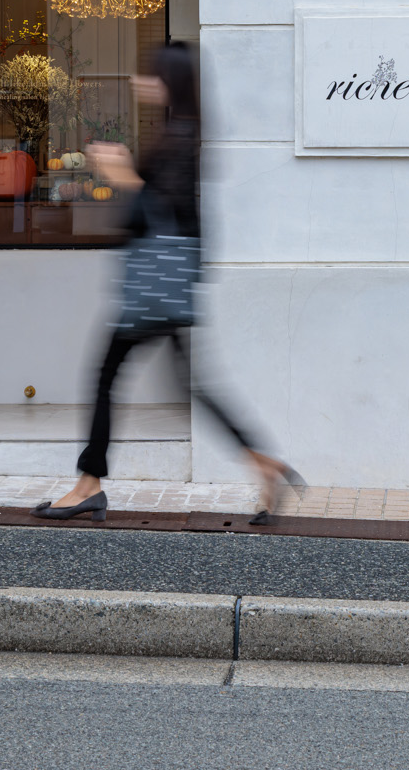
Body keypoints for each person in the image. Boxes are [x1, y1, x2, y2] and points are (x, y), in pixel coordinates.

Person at [33, 41, 301, 523]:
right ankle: (264, 463)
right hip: (167, 286)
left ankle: (89, 484)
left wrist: (122, 175)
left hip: (154, 287)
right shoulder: (184, 132)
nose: (141, 82)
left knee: (106, 376)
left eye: (151, 75)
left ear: (169, 82)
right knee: (192, 383)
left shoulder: (179, 136)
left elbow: (160, 210)